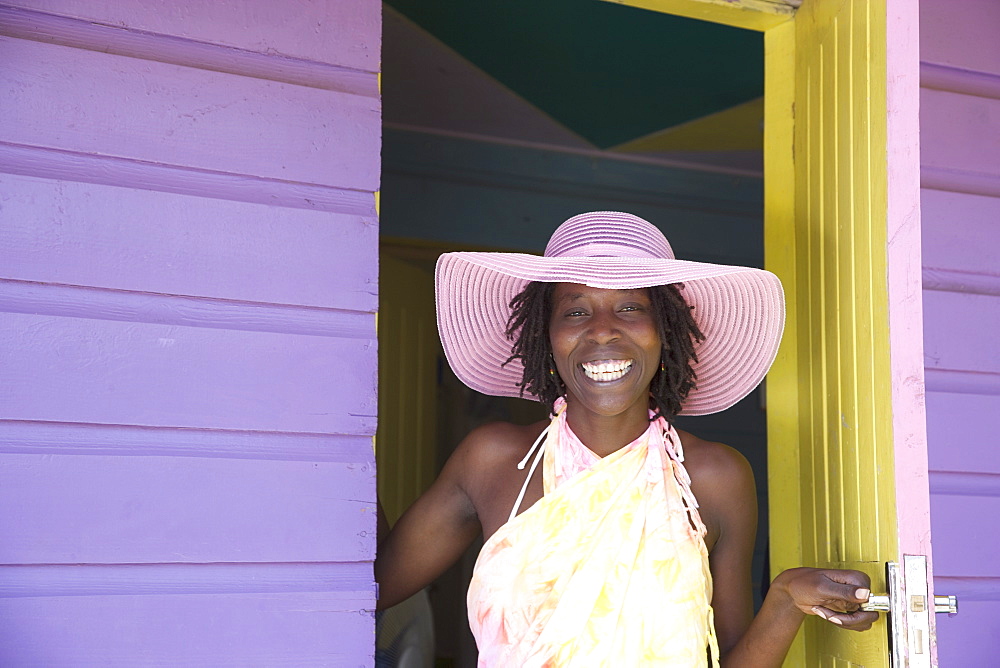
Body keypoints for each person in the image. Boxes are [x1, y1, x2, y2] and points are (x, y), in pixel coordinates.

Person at [375, 211, 877, 666]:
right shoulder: (493, 461)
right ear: (546, 336)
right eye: (575, 311)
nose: (602, 331)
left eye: (631, 308)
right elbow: (371, 587)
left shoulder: (715, 478)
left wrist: (785, 600)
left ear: (667, 333)